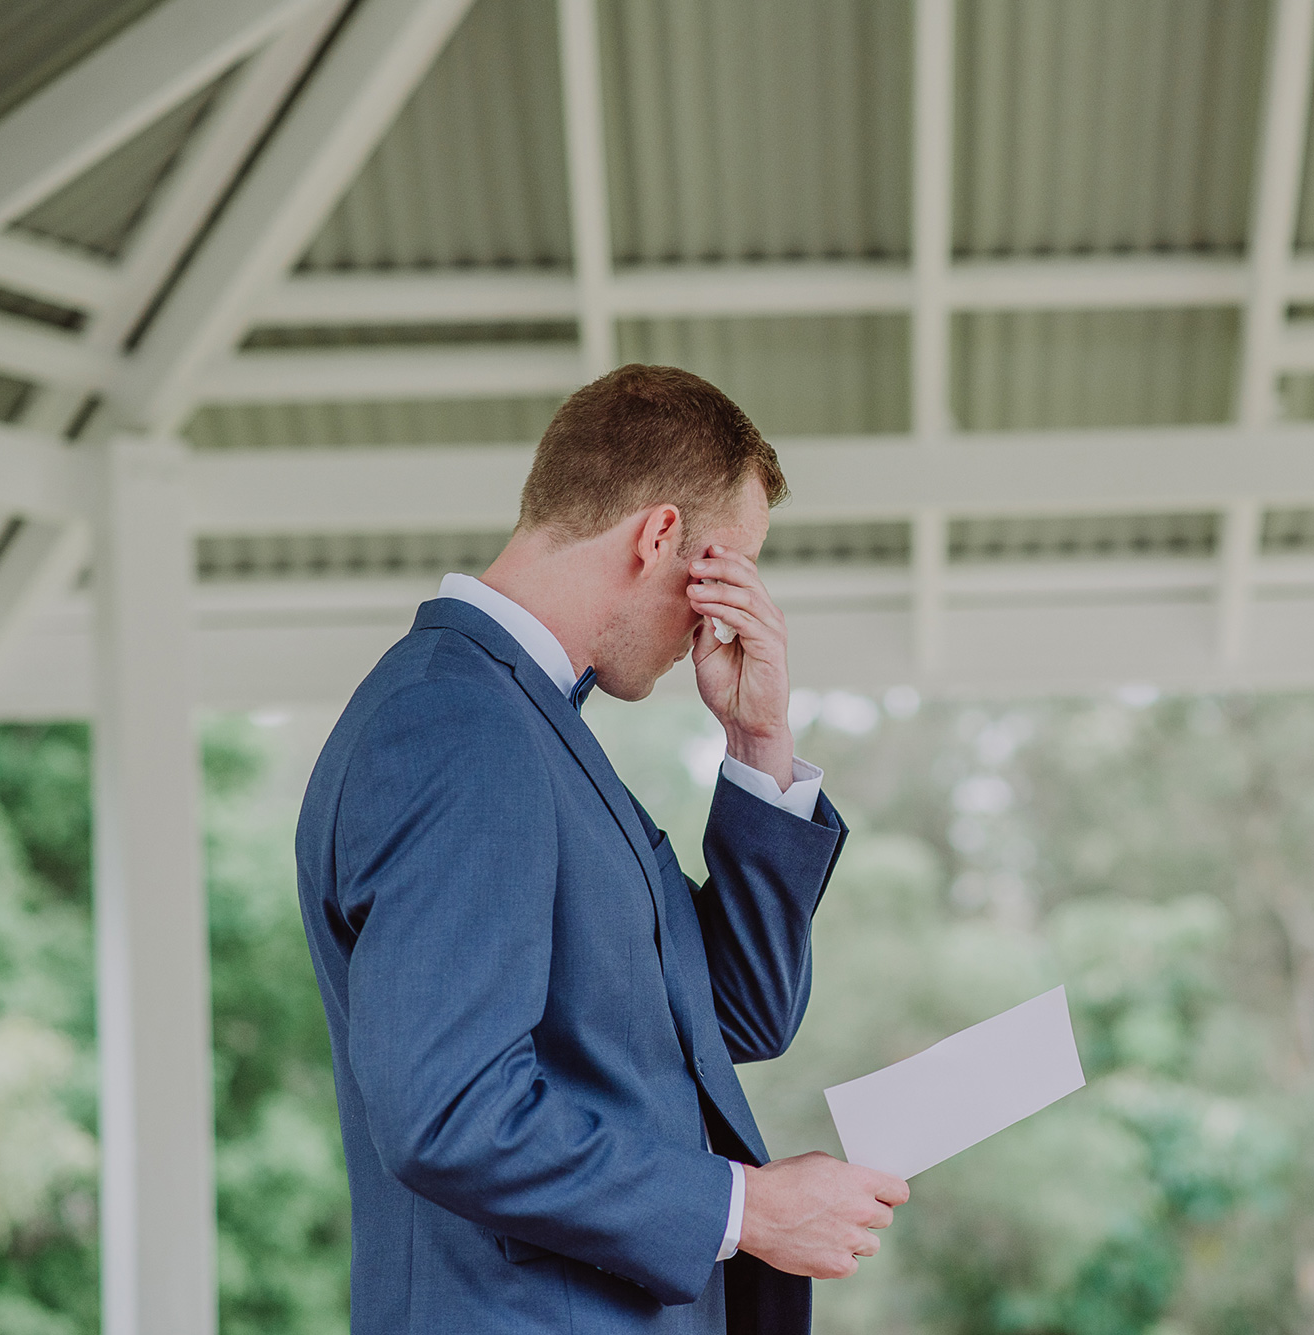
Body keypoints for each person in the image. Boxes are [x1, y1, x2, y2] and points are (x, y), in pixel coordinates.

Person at [295, 364, 909, 1335]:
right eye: (726, 570)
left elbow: (737, 1015)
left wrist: (757, 741)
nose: (721, 618)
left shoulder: (527, 729)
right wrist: (746, 1210)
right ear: (658, 536)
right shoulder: (455, 725)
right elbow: (446, 1109)